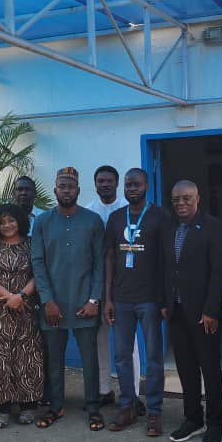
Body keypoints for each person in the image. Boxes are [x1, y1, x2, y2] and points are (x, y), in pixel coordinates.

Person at [30, 168, 106, 431]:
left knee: (90, 361)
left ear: (78, 191)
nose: (66, 190)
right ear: (55, 191)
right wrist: (47, 300)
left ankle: (93, 408)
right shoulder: (41, 222)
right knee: (54, 360)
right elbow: (37, 263)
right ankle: (55, 406)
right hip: (53, 305)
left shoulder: (93, 221)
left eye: (71, 186)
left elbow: (99, 265)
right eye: (62, 186)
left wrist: (94, 300)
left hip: (85, 304)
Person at [161, 180, 222, 442]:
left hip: (203, 312)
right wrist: (165, 302)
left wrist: (212, 309)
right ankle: (192, 419)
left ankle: (215, 424)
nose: (181, 203)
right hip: (176, 310)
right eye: (176, 199)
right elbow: (166, 268)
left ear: (198, 199)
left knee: (209, 368)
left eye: (187, 198)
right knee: (185, 368)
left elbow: (217, 272)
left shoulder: (213, 227)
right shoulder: (169, 228)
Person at [105, 168, 169, 436]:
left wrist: (165, 299)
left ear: (147, 186)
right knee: (121, 357)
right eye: (129, 184)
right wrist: (107, 297)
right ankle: (128, 406)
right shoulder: (116, 218)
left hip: (150, 300)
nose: (132, 188)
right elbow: (110, 258)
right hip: (121, 299)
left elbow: (167, 260)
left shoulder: (160, 216)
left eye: (137, 184)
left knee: (153, 358)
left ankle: (154, 412)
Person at [0, 203, 44, 428]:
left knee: (28, 354)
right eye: (2, 222)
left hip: (26, 307)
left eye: (11, 220)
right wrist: (9, 297)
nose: (7, 225)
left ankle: (28, 406)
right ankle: (2, 408)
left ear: (20, 221)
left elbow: (39, 273)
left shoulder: (31, 244)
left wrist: (22, 295)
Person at [85, 165, 138, 407]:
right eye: (100, 181)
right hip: (96, 287)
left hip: (126, 287)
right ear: (95, 184)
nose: (105, 184)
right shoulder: (88, 212)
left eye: (109, 181)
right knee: (100, 341)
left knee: (129, 345)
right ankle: (105, 389)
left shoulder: (128, 212)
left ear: (117, 184)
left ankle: (134, 393)